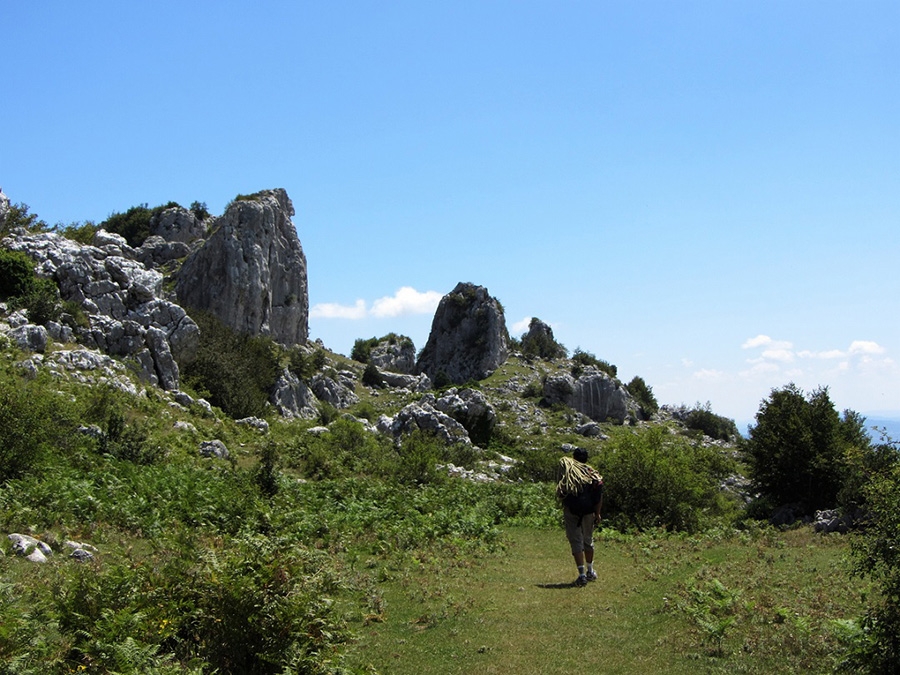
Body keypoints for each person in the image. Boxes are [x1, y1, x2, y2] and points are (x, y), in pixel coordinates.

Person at [557, 446, 603, 587]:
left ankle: (581, 574)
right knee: (588, 540)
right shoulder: (592, 474)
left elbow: (561, 492)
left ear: (574, 458)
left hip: (572, 511)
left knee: (576, 541)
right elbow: (599, 496)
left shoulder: (568, 473)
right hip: (588, 512)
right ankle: (590, 570)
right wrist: (598, 513)